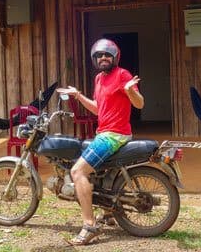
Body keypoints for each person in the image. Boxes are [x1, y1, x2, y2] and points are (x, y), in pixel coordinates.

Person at [57, 38, 144, 245]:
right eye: (98, 55)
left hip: (114, 135)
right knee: (99, 171)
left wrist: (131, 91)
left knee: (78, 171)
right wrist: (78, 96)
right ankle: (109, 212)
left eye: (107, 54)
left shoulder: (122, 75)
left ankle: (89, 225)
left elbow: (140, 104)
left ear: (115, 57)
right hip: (103, 133)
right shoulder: (98, 79)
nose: (103, 58)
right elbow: (99, 108)